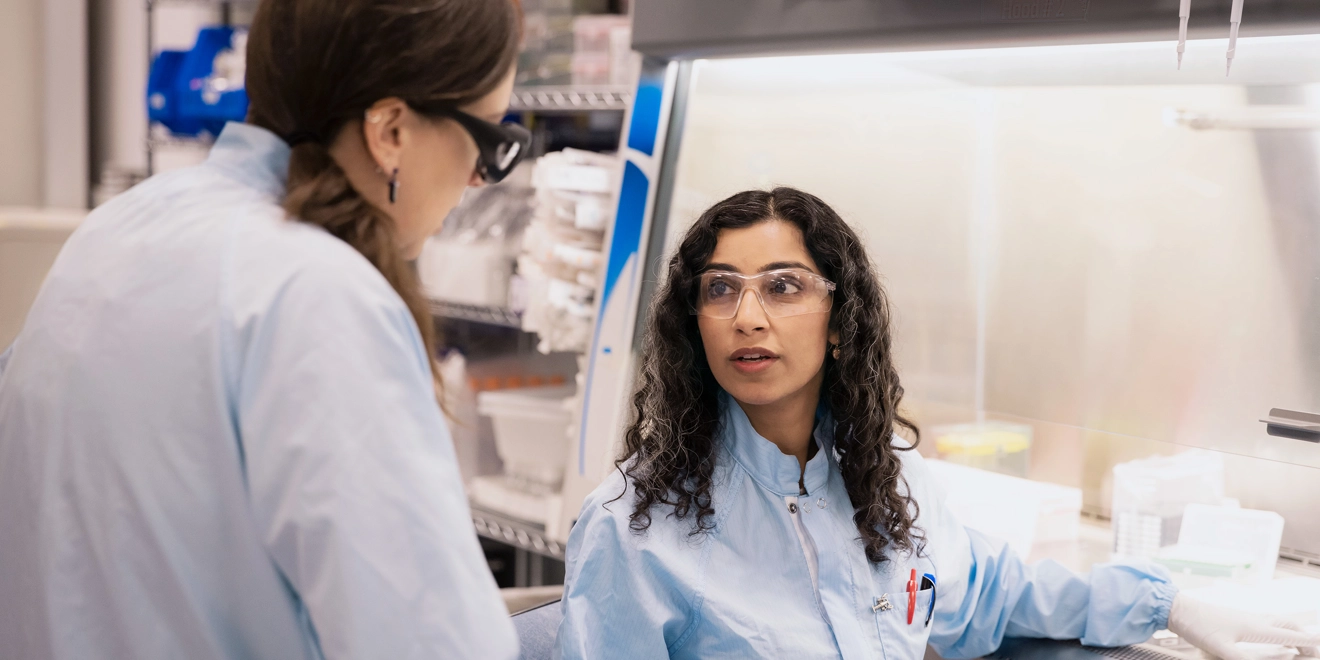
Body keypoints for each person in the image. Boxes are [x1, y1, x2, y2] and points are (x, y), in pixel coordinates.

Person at [556, 187, 1320, 659]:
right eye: (719, 290)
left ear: (839, 322)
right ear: (694, 324)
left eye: (783, 286)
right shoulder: (635, 530)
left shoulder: (880, 483)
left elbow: (993, 596)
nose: (746, 316)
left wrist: (1169, 605)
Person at [0, 0, 531, 658]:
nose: (480, 179)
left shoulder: (120, 227)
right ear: (391, 131)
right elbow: (432, 642)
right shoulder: (321, 295)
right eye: (486, 142)